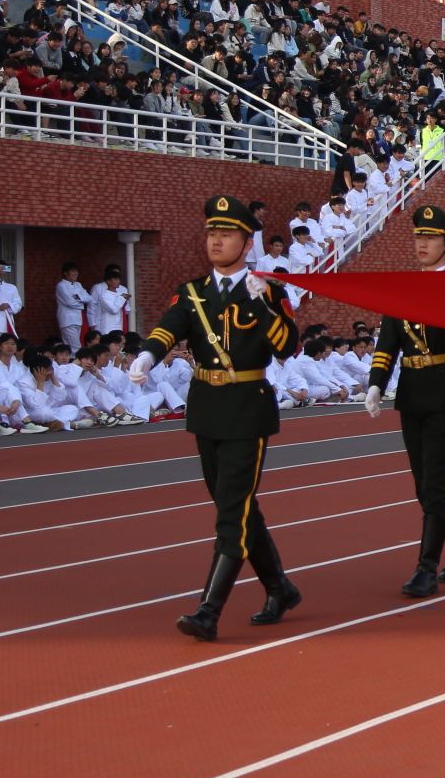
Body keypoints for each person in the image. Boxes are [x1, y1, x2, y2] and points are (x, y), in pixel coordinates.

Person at [128, 195, 305, 640]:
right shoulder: (193, 292)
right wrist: (147, 355)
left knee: (232, 511)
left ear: (246, 243)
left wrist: (262, 306)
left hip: (247, 406)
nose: (216, 241)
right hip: (207, 407)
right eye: (212, 233)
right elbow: (169, 326)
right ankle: (280, 588)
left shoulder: (269, 290)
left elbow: (287, 347)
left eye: (226, 234)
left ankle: (209, 610)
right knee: (236, 506)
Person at [362, 204, 445, 599]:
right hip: (412, 392)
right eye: (418, 237)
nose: (422, 244)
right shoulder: (404, 288)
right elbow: (388, 343)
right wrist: (376, 384)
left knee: (434, 483)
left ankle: (426, 567)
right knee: (426, 484)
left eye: (430, 238)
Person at [55, 261, 93, 345]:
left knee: (72, 347)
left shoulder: (78, 284)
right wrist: (82, 303)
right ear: (65, 273)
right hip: (68, 321)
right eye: (73, 271)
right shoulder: (61, 285)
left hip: (78, 319)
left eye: (76, 271)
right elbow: (70, 302)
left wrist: (77, 298)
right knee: (75, 347)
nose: (76, 273)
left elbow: (89, 298)